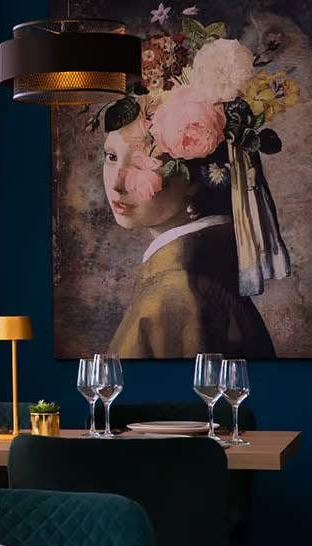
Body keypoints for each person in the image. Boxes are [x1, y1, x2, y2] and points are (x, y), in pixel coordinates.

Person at [98, 40, 294, 358]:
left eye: (141, 162)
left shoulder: (176, 292)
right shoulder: (199, 277)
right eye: (110, 156)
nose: (118, 184)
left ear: (195, 179)